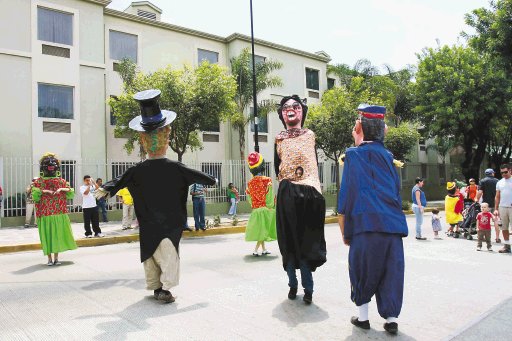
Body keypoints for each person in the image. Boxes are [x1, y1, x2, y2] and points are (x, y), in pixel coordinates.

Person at [96, 89, 216, 303]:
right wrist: (212, 180)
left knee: (152, 255)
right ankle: (164, 289)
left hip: (149, 223)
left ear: (143, 140)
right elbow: (199, 176)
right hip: (168, 224)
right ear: (166, 139)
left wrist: (105, 188)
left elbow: (119, 180)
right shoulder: (174, 168)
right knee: (168, 255)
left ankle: (157, 287)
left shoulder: (138, 170)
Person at [338, 104, 408, 335]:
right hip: (392, 225)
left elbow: (346, 196)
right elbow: (396, 192)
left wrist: (345, 232)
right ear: (383, 130)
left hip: (364, 225)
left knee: (362, 270)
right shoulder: (389, 157)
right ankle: (391, 319)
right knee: (391, 270)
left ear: (359, 126)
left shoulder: (353, 155)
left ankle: (363, 317)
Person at [274, 95, 326, 305]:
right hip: (287, 192)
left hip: (309, 192)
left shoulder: (309, 135)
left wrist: (316, 189)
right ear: (282, 114)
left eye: (295, 106)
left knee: (306, 243)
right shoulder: (279, 138)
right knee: (288, 241)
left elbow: (312, 162)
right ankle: (292, 284)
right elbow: (278, 165)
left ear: (302, 111)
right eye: (286, 107)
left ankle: (308, 288)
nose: (291, 110)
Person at [31, 153, 77, 265]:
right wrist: (44, 191)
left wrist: (62, 189)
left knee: (56, 236)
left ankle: (56, 259)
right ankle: (49, 259)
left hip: (59, 213)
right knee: (48, 236)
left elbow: (71, 194)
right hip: (45, 213)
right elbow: (35, 197)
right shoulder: (38, 182)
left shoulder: (61, 181)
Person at [245, 152, 277, 256]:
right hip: (264, 210)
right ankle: (255, 250)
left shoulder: (249, 184)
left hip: (255, 211)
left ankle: (263, 249)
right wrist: (271, 207)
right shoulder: (267, 181)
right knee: (263, 232)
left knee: (261, 231)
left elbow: (249, 198)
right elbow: (269, 196)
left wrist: (254, 206)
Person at [476, 168, 500, 242]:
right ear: (492, 173)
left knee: (483, 221)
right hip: (496, 204)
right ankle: (497, 237)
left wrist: (477, 199)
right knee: (496, 220)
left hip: (486, 205)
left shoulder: (482, 181)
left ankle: (482, 236)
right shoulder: (497, 181)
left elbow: (480, 192)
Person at [495, 163, 512, 253]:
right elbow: (497, 196)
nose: (504, 174)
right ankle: (507, 246)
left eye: (505, 172)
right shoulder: (499, 182)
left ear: (510, 170)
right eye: (502, 173)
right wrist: (496, 209)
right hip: (502, 207)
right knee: (504, 228)